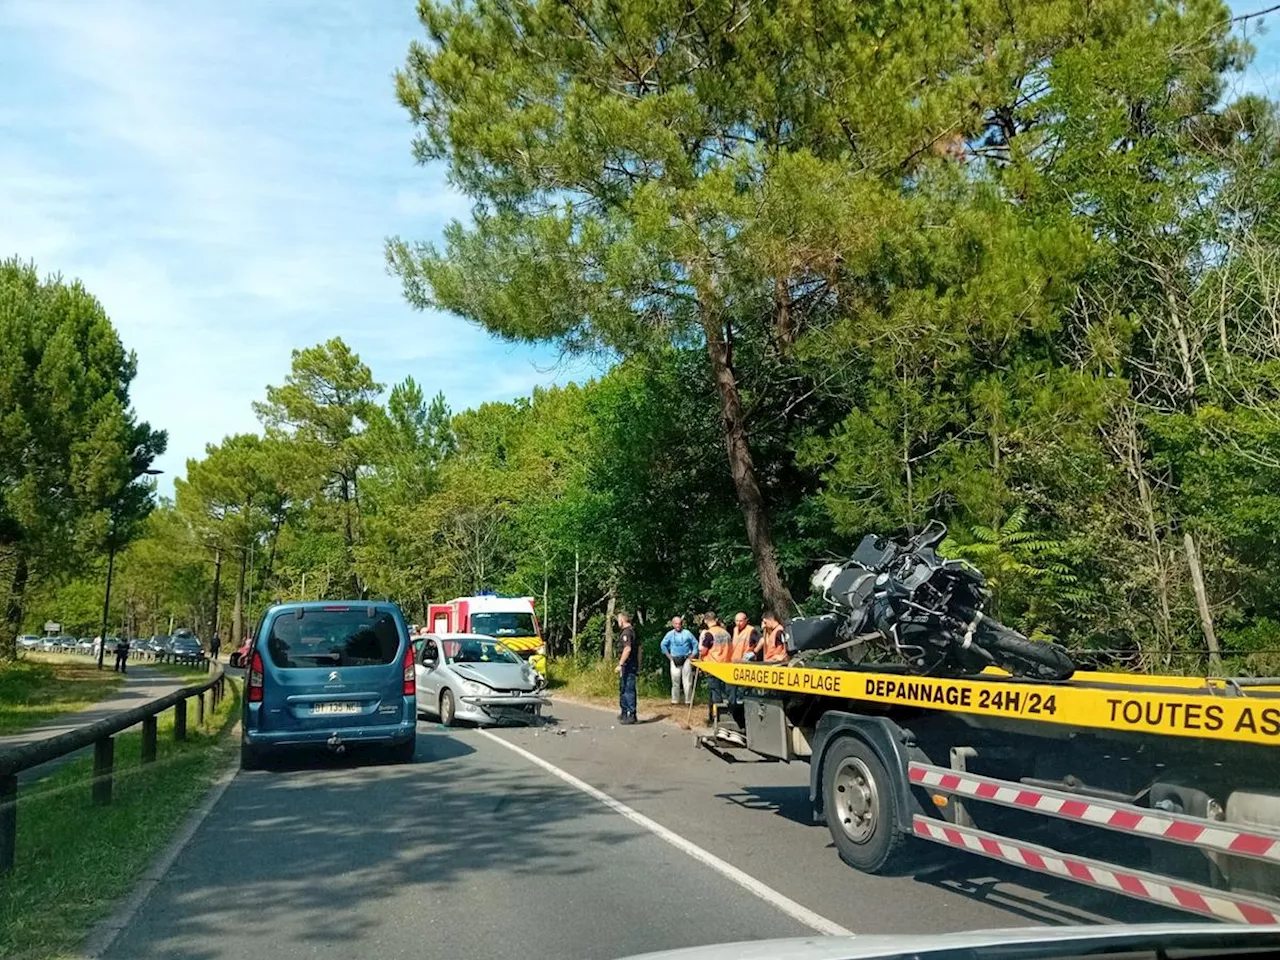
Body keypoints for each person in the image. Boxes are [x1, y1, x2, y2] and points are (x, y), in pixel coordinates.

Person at [697, 612, 732, 722]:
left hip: (713, 667)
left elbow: (703, 650)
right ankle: (727, 716)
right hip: (726, 666)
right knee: (725, 694)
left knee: (715, 694)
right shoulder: (726, 633)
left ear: (706, 621)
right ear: (716, 620)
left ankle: (716, 719)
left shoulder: (708, 634)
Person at [660, 615, 698, 706]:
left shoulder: (687, 633)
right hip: (674, 659)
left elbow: (695, 644)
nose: (678, 625)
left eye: (679, 624)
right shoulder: (670, 634)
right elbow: (663, 645)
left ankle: (688, 701)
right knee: (675, 681)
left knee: (688, 681)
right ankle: (675, 700)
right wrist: (669, 656)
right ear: (673, 624)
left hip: (686, 659)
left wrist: (693, 655)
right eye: (676, 624)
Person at [614, 611, 638, 725]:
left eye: (618, 620)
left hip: (628, 665)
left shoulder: (627, 633)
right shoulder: (629, 631)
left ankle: (631, 714)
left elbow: (627, 649)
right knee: (623, 688)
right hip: (627, 665)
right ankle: (624, 712)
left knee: (629, 689)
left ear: (622, 620)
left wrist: (621, 663)